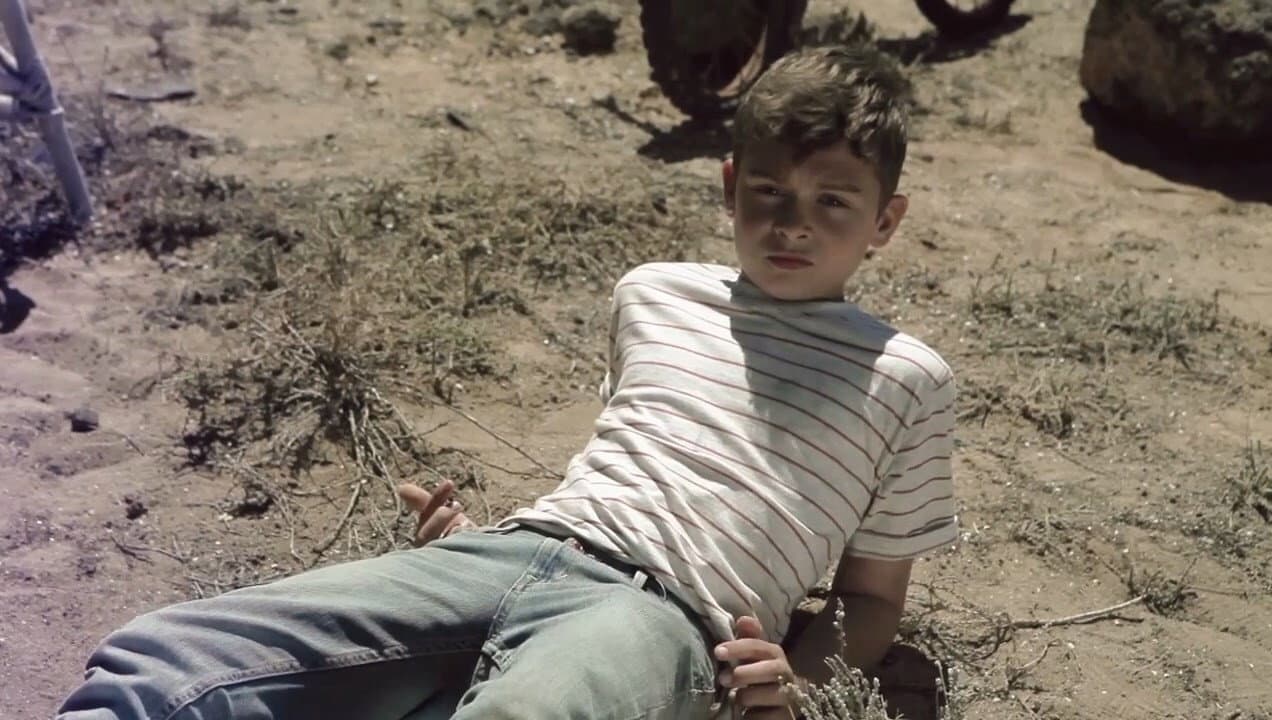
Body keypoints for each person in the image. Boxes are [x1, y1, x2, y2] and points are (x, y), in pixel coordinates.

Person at [57, 44, 957, 720]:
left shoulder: (904, 378)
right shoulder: (653, 294)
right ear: (730, 186)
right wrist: (470, 540)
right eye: (769, 191)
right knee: (166, 660)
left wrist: (799, 680)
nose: (792, 224)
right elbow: (630, 468)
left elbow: (873, 597)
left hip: (669, 617)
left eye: (832, 201)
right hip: (510, 556)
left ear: (886, 220)